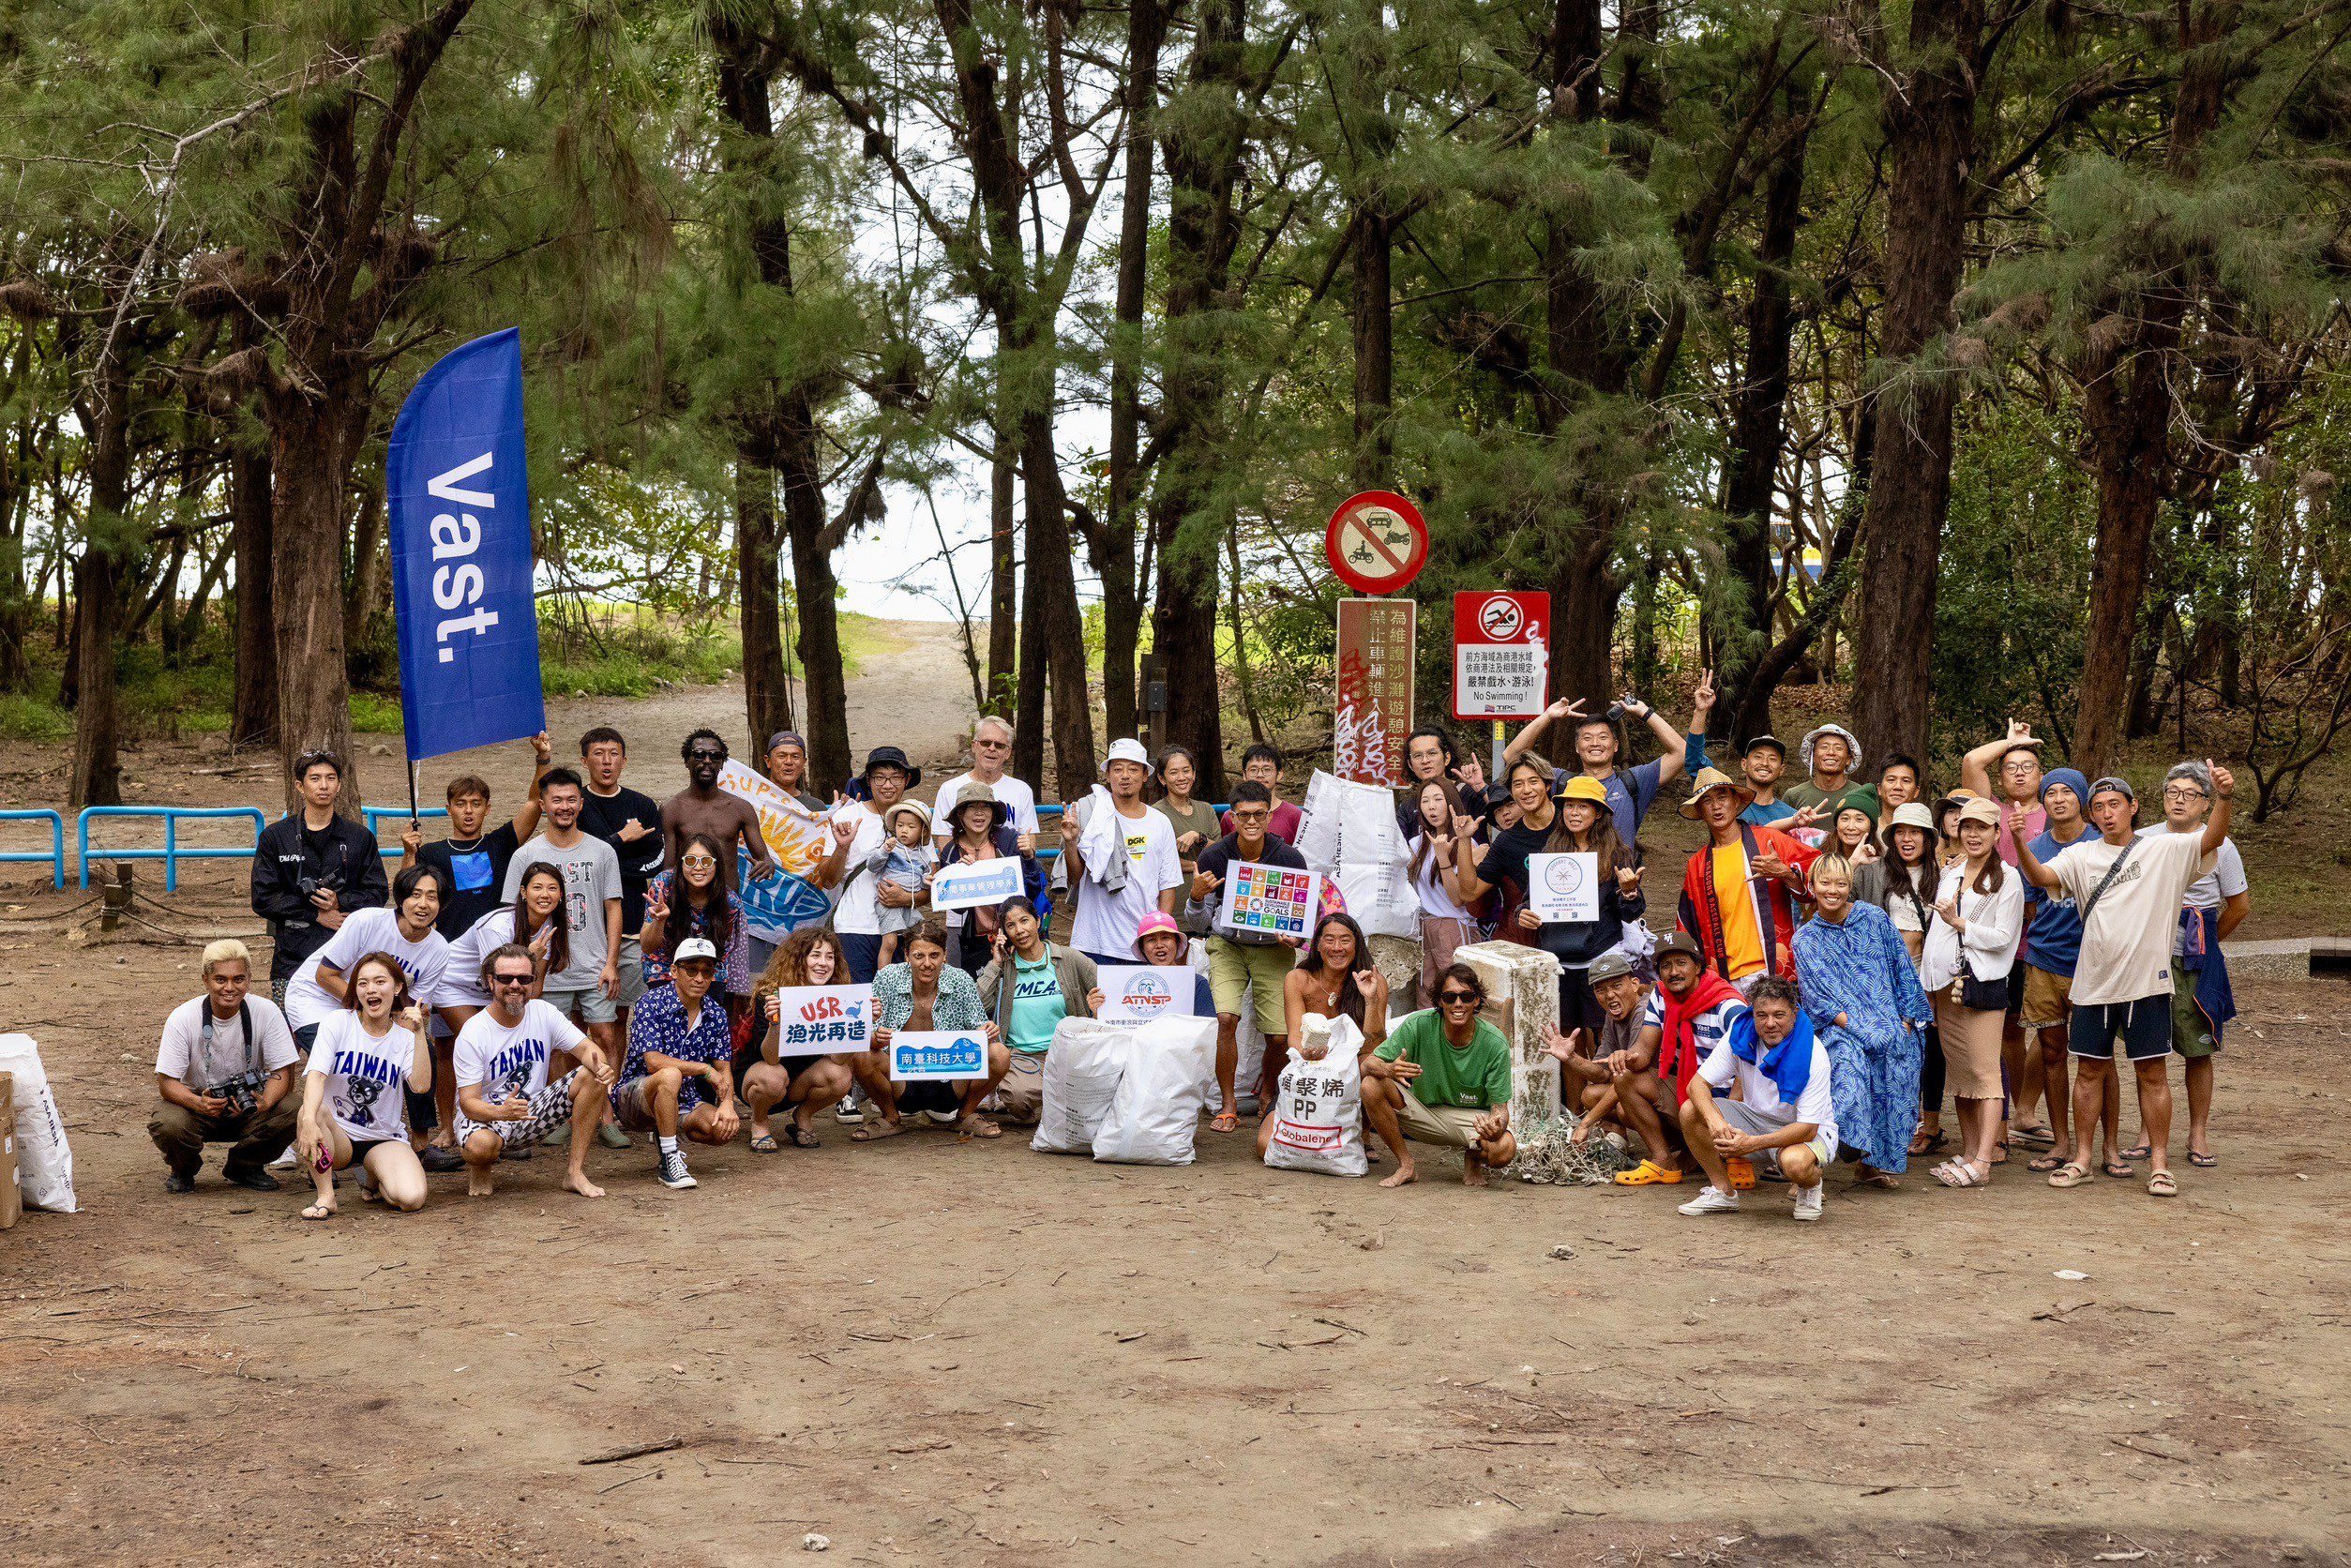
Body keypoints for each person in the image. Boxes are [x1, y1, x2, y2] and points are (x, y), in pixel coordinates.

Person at [2014, 768, 2234, 1198]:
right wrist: (2020, 839)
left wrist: (2223, 798)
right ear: (2091, 815)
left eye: (2115, 804)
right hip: (2093, 983)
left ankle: (2159, 1165)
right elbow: (2042, 878)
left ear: (2133, 807)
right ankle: (2081, 1158)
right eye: (2098, 807)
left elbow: (2212, 841)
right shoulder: (2080, 857)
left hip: (2148, 984)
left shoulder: (2165, 849)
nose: (2107, 813)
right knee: (2089, 1072)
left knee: (2152, 1073)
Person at [276, 864, 453, 1169]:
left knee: (420, 1050)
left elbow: (417, 1003)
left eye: (432, 898)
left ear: (441, 905)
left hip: (375, 1007)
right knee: (346, 1059)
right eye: (415, 895)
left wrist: (410, 1026)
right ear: (401, 898)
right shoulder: (367, 921)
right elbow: (324, 974)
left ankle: (420, 1141)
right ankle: (337, 1142)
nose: (422, 904)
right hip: (316, 999)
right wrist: (369, 1016)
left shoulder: (438, 949)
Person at [1462, 773, 1644, 1043]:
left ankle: (1602, 1086)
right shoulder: (1550, 852)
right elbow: (1529, 900)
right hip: (1558, 959)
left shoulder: (1620, 854)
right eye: (1569, 805)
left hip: (1601, 955)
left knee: (1604, 1033)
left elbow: (1630, 912)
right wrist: (1522, 913)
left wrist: (1629, 893)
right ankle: (1576, 1087)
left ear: (1598, 814)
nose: (1574, 812)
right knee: (1568, 1036)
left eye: (1583, 806)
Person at [1793, 853, 1933, 1184]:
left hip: (1891, 1022)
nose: (1832, 890)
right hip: (1839, 1028)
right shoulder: (1805, 939)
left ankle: (1871, 1164)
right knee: (1850, 1074)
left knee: (1901, 1061)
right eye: (1824, 883)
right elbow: (1819, 1000)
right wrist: (1858, 1029)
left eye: (1841, 883)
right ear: (1812, 886)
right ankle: (1831, 1154)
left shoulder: (1874, 918)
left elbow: (1902, 968)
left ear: (1850, 886)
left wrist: (1907, 1021)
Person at [2136, 761, 2249, 1169]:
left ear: (2205, 804)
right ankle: (2149, 1130)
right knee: (2149, 1045)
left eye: (2190, 795)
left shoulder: (2221, 844)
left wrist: (2208, 942)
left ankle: (2198, 1130)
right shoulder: (2144, 838)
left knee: (2198, 1048)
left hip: (2196, 956)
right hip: (2149, 954)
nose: (2179, 801)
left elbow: (2239, 905)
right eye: (2172, 793)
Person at [451, 942, 617, 1199]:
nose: (515, 985)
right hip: (486, 1116)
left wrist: (601, 1066)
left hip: (531, 1112)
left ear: (532, 981)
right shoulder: (474, 1032)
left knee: (591, 1076)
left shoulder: (544, 1013)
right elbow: (468, 1103)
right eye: (506, 978)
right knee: (480, 1147)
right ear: (490, 981)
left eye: (524, 978)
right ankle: (481, 1169)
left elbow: (587, 1050)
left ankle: (575, 1173)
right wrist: (501, 1112)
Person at [1189, 779, 1309, 1124]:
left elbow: (1302, 920)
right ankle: (1228, 1104)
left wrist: (1295, 939)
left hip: (1272, 949)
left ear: (1270, 816)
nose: (1252, 821)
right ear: (1232, 817)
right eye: (1244, 815)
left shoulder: (1288, 857)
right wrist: (1196, 897)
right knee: (1225, 1018)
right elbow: (1199, 923)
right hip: (1228, 944)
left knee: (1279, 1036)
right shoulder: (1215, 855)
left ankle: (1268, 1089)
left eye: (1259, 814)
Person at [1919, 796, 2025, 1188]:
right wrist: (1927, 986)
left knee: (1984, 1075)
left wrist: (1959, 923)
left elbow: (2004, 938)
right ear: (1957, 831)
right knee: (1960, 1076)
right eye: (1967, 827)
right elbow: (1935, 936)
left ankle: (1983, 1158)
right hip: (1945, 987)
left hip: (1980, 985)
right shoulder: (1952, 870)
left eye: (1982, 827)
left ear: (1997, 833)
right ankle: (1966, 1151)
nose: (1973, 834)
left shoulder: (2007, 877)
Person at [1959, 722, 2053, 1152]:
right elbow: (1972, 761)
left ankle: (2026, 1108)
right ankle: (2017, 1112)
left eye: (2028, 766)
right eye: (2011, 766)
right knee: (2011, 1028)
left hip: (2046, 933)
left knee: (2053, 1030)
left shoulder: (2056, 810)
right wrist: (2012, 741)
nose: (2018, 773)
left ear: (2042, 776)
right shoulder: (1989, 810)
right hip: (2000, 937)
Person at [1673, 976, 1834, 1222]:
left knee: (1796, 1163)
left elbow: (1808, 1129)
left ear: (1794, 1013)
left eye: (1779, 1015)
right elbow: (1697, 1084)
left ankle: (1811, 1185)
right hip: (1755, 1118)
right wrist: (1715, 1121)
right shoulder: (1740, 1032)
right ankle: (1722, 1192)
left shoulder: (1814, 1053)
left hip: (1807, 1131)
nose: (1770, 1023)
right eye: (1762, 1015)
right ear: (1752, 1013)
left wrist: (1751, 1144)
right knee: (1690, 1110)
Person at [1595, 932, 1747, 1186]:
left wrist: (1730, 1119)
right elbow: (1643, 1052)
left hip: (1727, 1104)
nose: (1673, 972)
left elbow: (1750, 1065)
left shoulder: (1728, 1006)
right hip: (1689, 1095)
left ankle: (1728, 1155)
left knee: (1698, 1103)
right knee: (1626, 1079)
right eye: (1666, 966)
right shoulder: (1660, 996)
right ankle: (1662, 1160)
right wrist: (1626, 1056)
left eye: (1681, 963)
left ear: (1698, 966)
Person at [2016, 769, 2110, 1176]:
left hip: (2094, 963)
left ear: (2082, 799)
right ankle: (2060, 1141)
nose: (2057, 799)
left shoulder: (2104, 842)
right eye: (2049, 793)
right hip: (2044, 961)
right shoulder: (2034, 847)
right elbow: (2033, 907)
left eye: (2066, 792)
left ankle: (2109, 1145)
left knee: (2098, 1056)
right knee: (2052, 1052)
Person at [150, 940, 300, 1192]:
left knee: (295, 1108)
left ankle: (246, 1165)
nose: (230, 988)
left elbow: (284, 1072)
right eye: (221, 979)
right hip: (199, 1104)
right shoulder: (183, 1017)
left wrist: (265, 1101)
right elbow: (166, 1083)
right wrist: (198, 1102)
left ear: (249, 979)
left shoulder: (267, 1011)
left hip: (249, 1102)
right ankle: (183, 1167)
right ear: (205, 980)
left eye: (238, 979)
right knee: (167, 1121)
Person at [503, 768, 626, 1074]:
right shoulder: (525, 855)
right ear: (543, 805)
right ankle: (560, 1114)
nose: (564, 806)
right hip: (549, 969)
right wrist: (526, 964)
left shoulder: (602, 851)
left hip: (594, 965)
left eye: (571, 799)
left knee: (605, 1037)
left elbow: (613, 908)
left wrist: (611, 962)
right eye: (556, 800)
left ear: (581, 803)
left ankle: (605, 1111)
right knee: (554, 1045)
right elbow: (511, 915)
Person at [293, 953, 432, 1220]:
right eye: (363, 983)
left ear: (398, 987)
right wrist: (309, 1120)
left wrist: (419, 1033)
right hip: (338, 1136)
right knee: (309, 1113)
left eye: (380, 982)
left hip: (383, 1137)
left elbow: (421, 1085)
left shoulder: (404, 1038)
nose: (371, 990)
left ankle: (372, 1175)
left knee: (410, 1199)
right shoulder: (338, 1022)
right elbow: (317, 1075)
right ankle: (326, 1196)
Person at [1503, 672, 1716, 845]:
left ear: (1615, 746)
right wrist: (1547, 716)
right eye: (1587, 738)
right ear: (1577, 748)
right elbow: (1512, 755)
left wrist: (1645, 713)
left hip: (1621, 885)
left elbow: (1681, 753)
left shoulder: (1634, 781)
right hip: (1573, 884)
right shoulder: (1562, 782)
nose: (1595, 743)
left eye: (1603, 737)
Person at [1355, 962, 1518, 1188]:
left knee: (1504, 1150)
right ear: (1440, 1001)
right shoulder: (1418, 1026)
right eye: (1450, 997)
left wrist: (1496, 1128)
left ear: (1477, 1000)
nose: (1458, 1004)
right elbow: (1367, 1065)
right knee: (1370, 1085)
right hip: (1422, 1111)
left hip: (1471, 1119)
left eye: (1466, 996)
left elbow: (1500, 1108)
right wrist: (1388, 1069)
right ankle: (1406, 1165)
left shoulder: (1494, 1042)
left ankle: (1474, 1157)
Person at [250, 747, 388, 1003]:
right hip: (292, 958)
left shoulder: (359, 838)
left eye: (331, 778)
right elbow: (263, 897)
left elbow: (378, 893)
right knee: (289, 1036)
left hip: (347, 960)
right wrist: (314, 913)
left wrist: (340, 902)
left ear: (339, 785)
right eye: (315, 778)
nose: (323, 786)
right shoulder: (276, 837)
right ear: (300, 786)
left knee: (352, 1032)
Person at [853, 921, 1009, 1140]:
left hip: (951, 1081)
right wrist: (875, 1039)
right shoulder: (887, 977)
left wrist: (986, 1030)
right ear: (906, 955)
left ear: (945, 955)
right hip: (900, 1080)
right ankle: (890, 1117)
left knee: (999, 1054)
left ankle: (966, 1114)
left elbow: (978, 1027)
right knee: (861, 1055)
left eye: (934, 955)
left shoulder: (960, 979)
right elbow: (868, 1030)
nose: (927, 964)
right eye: (919, 956)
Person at [1858, 802, 1951, 1161]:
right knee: (1888, 1048)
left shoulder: (1945, 875)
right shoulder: (1875, 871)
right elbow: (1838, 898)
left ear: (1929, 838)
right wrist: (1853, 863)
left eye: (1915, 832)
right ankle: (1889, 1126)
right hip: (1883, 973)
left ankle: (1930, 1125)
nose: (1907, 838)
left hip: (1927, 972)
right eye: (1900, 831)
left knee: (1930, 1050)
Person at [1672, 767, 1820, 991]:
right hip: (1723, 976)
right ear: (1700, 811)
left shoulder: (1768, 840)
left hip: (1772, 967)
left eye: (1722, 797)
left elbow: (1822, 874)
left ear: (1735, 801)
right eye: (1707, 801)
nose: (1716, 806)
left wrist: (1786, 873)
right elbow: (1687, 922)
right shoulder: (1697, 864)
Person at [608, 937, 738, 1188]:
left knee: (720, 1129)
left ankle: (666, 1134)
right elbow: (653, 1062)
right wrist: (703, 1068)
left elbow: (724, 1068)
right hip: (635, 1096)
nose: (699, 978)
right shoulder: (651, 1002)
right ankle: (670, 1158)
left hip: (684, 1099)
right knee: (669, 1074)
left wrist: (728, 1103)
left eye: (707, 971)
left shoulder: (716, 1013)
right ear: (674, 971)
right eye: (691, 970)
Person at [397, 732, 551, 939]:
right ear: (449, 809)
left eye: (475, 804)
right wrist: (408, 853)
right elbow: (405, 892)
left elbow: (534, 802)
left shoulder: (500, 843)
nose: (468, 810)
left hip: (498, 946)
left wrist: (542, 757)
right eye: (460, 804)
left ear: (487, 809)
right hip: (450, 948)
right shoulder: (431, 853)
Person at [574, 726, 668, 1040]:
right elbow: (577, 856)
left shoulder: (642, 805)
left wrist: (612, 867)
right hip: (585, 928)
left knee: (619, 1016)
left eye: (613, 754)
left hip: (630, 925)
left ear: (624, 761)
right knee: (575, 1022)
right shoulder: (575, 805)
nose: (606, 761)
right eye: (598, 754)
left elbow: (656, 858)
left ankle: (612, 1088)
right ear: (584, 760)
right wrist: (621, 839)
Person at [976, 897, 1105, 1123]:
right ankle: (1052, 1105)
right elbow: (977, 1005)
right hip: (1022, 1057)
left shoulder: (1068, 958)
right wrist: (995, 963)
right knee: (1016, 1097)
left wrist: (1096, 1009)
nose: (1020, 930)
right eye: (1011, 925)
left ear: (1037, 921)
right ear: (1003, 933)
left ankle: (1055, 1102)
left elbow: (1109, 988)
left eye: (1024, 921)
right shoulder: (1005, 966)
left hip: (1068, 1051)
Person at [1062, 738, 1184, 969]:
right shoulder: (1091, 815)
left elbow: (1167, 886)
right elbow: (1074, 878)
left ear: (1145, 775)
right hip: (1094, 942)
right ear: (1108, 775)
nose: (1125, 776)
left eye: (1133, 769)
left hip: (1142, 943)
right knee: (1095, 1005)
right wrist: (1071, 842)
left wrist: (1158, 937)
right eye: (1117, 769)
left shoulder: (1160, 822)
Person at [740, 927, 860, 1150]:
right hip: (762, 1077)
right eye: (815, 955)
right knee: (773, 1074)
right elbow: (771, 1058)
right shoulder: (771, 995)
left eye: (829, 957)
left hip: (802, 1080)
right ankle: (759, 1122)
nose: (823, 963)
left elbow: (838, 1058)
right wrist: (775, 1024)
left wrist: (859, 1026)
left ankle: (803, 1117)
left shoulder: (838, 997)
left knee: (841, 1075)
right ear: (798, 959)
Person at [1541, 949, 1652, 1151]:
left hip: (1662, 1091)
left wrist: (1585, 1124)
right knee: (1590, 1094)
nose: (1610, 995)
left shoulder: (1644, 1010)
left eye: (1617, 986)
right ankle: (1617, 1134)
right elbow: (1602, 1073)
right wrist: (1571, 1057)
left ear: (1634, 984)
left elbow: (1628, 1076)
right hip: (1639, 1085)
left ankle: (1661, 1150)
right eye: (1601, 990)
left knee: (1623, 1103)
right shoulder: (1612, 1016)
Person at [832, 746, 927, 983]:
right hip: (854, 927)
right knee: (858, 1004)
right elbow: (828, 879)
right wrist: (842, 847)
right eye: (880, 777)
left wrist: (905, 898)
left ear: (906, 780)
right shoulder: (846, 817)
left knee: (898, 1006)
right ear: (869, 781)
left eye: (895, 777)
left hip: (901, 928)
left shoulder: (918, 823)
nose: (888, 785)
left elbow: (931, 888)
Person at [438, 862, 568, 1030]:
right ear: (523, 892)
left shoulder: (550, 926)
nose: (545, 894)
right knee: (480, 1037)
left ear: (561, 895)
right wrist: (530, 957)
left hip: (492, 990)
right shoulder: (497, 927)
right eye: (537, 888)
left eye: (552, 888)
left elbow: (534, 988)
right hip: (454, 983)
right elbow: (495, 980)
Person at [934, 783, 1041, 977]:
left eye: (985, 807)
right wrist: (958, 876)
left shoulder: (1009, 839)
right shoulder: (951, 851)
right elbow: (957, 908)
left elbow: (1034, 887)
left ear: (993, 813)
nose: (979, 813)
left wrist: (1028, 857)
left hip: (1016, 931)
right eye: (972, 807)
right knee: (983, 994)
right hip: (976, 938)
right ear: (960, 814)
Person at [1401, 776, 1483, 1006]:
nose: (1431, 806)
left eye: (1438, 799)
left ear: (1451, 803)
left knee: (1458, 996)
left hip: (1455, 926)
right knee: (1428, 998)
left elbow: (1458, 898)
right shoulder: (1417, 843)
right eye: (1425, 801)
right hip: (1425, 927)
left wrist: (1443, 856)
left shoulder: (1466, 843)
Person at [641, 832, 748, 1000]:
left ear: (717, 865)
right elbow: (647, 947)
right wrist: (659, 920)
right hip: (664, 964)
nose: (698, 867)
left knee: (708, 1018)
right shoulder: (664, 886)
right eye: (691, 861)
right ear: (681, 863)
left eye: (706, 862)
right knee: (667, 1018)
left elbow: (720, 951)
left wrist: (699, 975)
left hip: (707, 967)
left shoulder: (730, 902)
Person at [930, 716, 1041, 851]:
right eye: (986, 743)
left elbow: (1029, 838)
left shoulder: (1022, 790)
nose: (992, 748)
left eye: (999, 745)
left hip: (1009, 866)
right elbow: (945, 840)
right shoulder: (949, 789)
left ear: (1008, 753)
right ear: (974, 746)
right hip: (965, 866)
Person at [1283, 912, 1390, 1052]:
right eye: (1329, 940)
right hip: (1310, 1059)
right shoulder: (1297, 979)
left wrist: (1371, 1000)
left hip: (1357, 1058)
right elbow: (1296, 1035)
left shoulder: (1374, 981)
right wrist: (1306, 1053)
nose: (1337, 947)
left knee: (1376, 1071)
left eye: (1345, 941)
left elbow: (1374, 1048)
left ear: (1357, 946)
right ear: (1317, 945)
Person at [1151, 746, 1222, 929]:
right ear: (1162, 778)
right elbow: (1156, 862)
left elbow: (1220, 854)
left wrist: (1199, 837)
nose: (1181, 778)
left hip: (1208, 906)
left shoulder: (1206, 809)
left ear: (1194, 774)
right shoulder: (1155, 814)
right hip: (1173, 906)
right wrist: (1200, 866)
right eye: (1173, 772)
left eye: (1186, 771)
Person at [868, 801, 939, 968]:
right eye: (900, 825)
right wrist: (884, 850)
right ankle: (884, 978)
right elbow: (872, 866)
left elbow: (923, 878)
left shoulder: (924, 856)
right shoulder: (891, 847)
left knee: (921, 934)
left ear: (923, 831)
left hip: (910, 906)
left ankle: (914, 973)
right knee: (890, 941)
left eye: (911, 826)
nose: (904, 830)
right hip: (888, 903)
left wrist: (927, 882)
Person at [1397, 726, 1490, 837]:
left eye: (1432, 753)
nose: (1425, 760)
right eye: (1418, 756)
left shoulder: (1469, 793)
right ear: (1410, 764)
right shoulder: (1407, 807)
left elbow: (1505, 820)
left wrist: (1480, 786)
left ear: (1446, 758)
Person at [1218, 743, 1303, 844]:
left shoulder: (1295, 816)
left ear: (1279, 774)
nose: (1260, 775)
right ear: (1244, 775)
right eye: (1253, 770)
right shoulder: (1230, 817)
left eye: (1267, 770)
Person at [1781, 725, 1869, 816]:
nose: (1831, 752)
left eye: (1838, 748)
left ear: (1849, 759)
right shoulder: (1794, 795)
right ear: (1812, 756)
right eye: (1824, 747)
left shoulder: (1861, 794)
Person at [1736, 735, 1797, 826]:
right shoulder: (1730, 808)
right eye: (1758, 757)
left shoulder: (1791, 817)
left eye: (1772, 759)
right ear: (1744, 764)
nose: (1765, 763)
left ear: (1781, 770)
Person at [762, 730, 828, 811]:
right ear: (768, 761)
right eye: (782, 756)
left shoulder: (816, 808)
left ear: (803, 763)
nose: (789, 762)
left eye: (795, 757)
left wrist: (842, 814)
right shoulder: (753, 801)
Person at [1876, 753, 1924, 843]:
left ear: (1916, 791)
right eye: (1891, 780)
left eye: (1906, 781)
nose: (1898, 786)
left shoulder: (1925, 833)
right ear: (1879, 789)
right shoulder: (1867, 830)